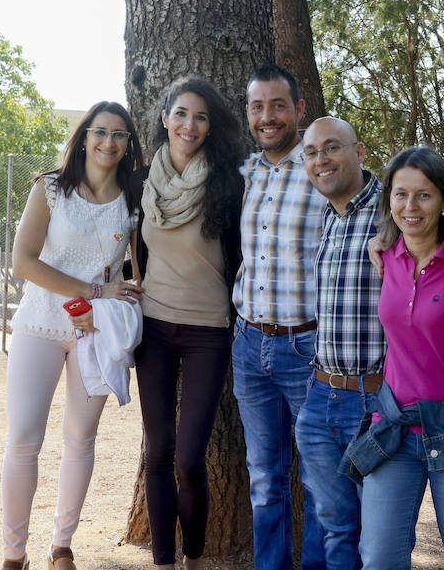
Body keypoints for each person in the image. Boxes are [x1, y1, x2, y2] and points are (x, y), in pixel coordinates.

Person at [2, 102, 145, 570]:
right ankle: (13, 554)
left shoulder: (136, 197)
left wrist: (109, 301)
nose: (109, 142)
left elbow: (139, 270)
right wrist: (91, 289)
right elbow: (22, 262)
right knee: (24, 438)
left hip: (97, 332)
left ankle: (61, 545)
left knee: (81, 437)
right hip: (40, 322)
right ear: (83, 137)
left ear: (128, 144)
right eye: (100, 132)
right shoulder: (51, 189)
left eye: (119, 134)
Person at [343, 146, 444, 570]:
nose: (410, 207)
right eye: (399, 194)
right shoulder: (383, 257)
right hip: (395, 431)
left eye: (424, 195)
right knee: (378, 558)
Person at [132, 76, 245, 570]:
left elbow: (241, 255)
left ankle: (194, 560)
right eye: (181, 114)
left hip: (208, 331)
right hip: (152, 329)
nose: (190, 125)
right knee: (158, 454)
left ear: (210, 125)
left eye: (200, 116)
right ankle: (163, 563)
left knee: (188, 459)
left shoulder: (227, 181)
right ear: (164, 118)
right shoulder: (140, 181)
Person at [231, 64, 326, 570]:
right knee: (264, 479)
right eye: (257, 107)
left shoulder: (322, 167)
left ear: (298, 110)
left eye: (278, 105)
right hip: (249, 345)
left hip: (307, 349)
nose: (267, 117)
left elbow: (375, 209)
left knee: (318, 480)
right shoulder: (249, 171)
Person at [293, 117, 386, 570]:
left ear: (360, 151)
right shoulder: (328, 217)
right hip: (320, 398)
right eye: (311, 152)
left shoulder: (394, 211)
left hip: (375, 403)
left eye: (331, 148)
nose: (320, 160)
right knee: (334, 530)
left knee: (379, 540)